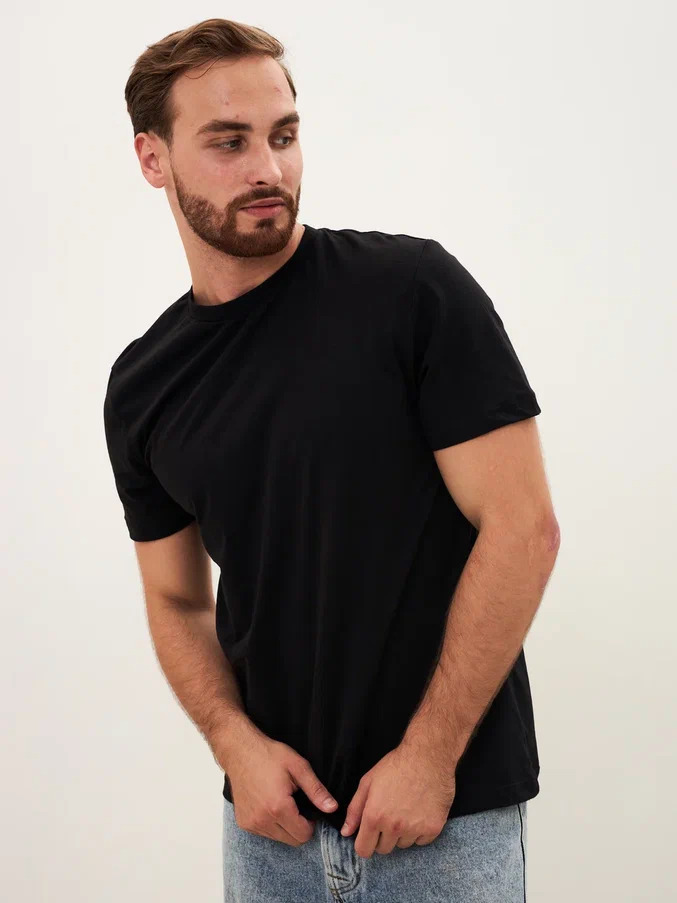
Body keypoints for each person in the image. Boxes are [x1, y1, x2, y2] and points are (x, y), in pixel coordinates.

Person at [103, 17, 560, 902]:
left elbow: (521, 527)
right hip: (269, 831)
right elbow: (175, 596)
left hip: (442, 819)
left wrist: (429, 756)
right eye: (228, 142)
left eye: (282, 135)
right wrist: (234, 745)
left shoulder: (411, 293)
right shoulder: (143, 384)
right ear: (152, 158)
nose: (268, 169)